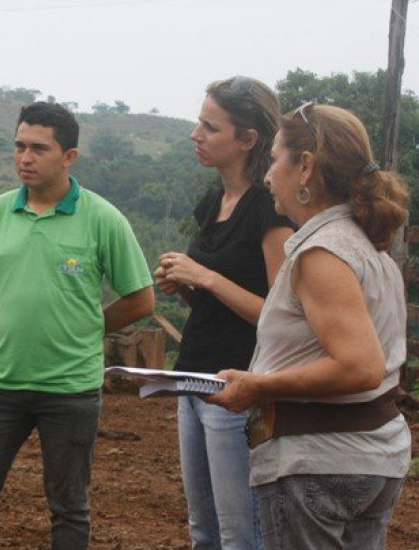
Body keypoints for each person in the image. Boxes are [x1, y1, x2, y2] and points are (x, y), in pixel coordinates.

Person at [0, 102, 155, 550]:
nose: (25, 158)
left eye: (39, 148)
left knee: (69, 510)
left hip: (71, 390)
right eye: (19, 147)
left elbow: (141, 299)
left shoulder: (102, 219)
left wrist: (91, 325)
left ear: (69, 156)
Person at [208, 103, 412, 549]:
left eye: (276, 158)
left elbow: (360, 366)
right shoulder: (368, 247)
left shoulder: (321, 254)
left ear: (305, 167)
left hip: (317, 461)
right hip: (370, 456)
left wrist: (258, 386)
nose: (266, 175)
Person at [154, 76, 294, 549]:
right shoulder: (212, 202)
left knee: (240, 534)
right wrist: (186, 286)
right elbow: (217, 303)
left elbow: (279, 315)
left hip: (238, 384)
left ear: (248, 139)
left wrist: (207, 277)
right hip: (193, 375)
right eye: (199, 123)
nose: (196, 135)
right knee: (203, 530)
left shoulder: (269, 211)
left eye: (210, 127)